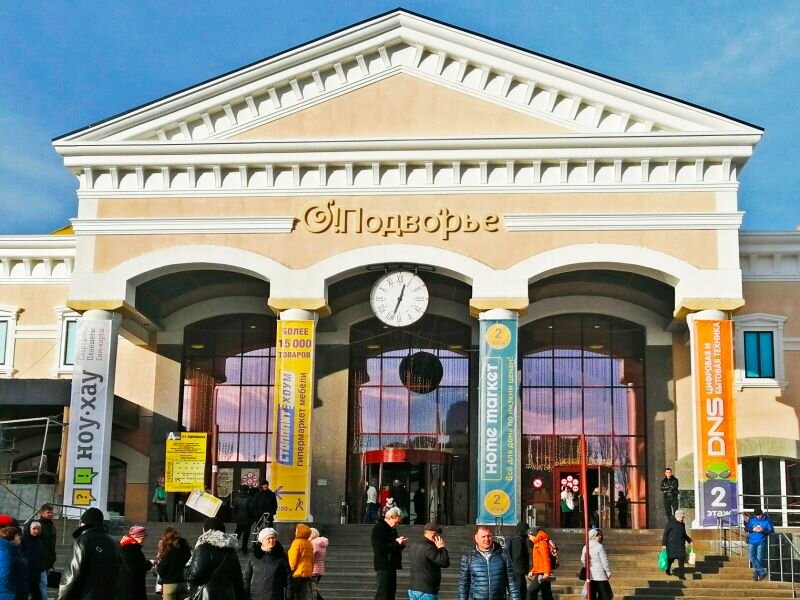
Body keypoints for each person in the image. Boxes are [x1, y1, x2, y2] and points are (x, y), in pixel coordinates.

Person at [58, 507, 120, 600]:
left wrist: (61, 597)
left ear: (83, 523)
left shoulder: (82, 541)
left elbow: (72, 575)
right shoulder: (114, 542)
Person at [184, 517, 244, 600]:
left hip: (208, 596)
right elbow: (238, 580)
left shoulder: (203, 548)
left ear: (206, 531)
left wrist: (186, 569)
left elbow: (193, 576)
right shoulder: (231, 552)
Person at [457, 525, 520, 600]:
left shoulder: (503, 554)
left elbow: (512, 583)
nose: (487, 539)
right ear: (476, 539)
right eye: (483, 537)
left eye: (489, 536)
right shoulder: (468, 557)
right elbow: (463, 585)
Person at [371, 506, 408, 600]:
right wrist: (396, 543)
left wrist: (401, 544)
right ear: (390, 517)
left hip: (391, 565)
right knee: (383, 594)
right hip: (383, 565)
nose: (397, 525)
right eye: (396, 522)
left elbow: (393, 547)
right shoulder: (379, 528)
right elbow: (379, 549)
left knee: (391, 594)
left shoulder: (392, 529)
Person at [243, 527, 290, 600]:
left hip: (275, 596)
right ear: (262, 541)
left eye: (273, 538)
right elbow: (246, 578)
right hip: (255, 596)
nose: (271, 540)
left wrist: (288, 596)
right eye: (268, 538)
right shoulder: (254, 556)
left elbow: (288, 578)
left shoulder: (281, 556)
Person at [407, 521, 450, 600]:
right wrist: (442, 548)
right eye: (439, 535)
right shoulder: (430, 548)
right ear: (435, 535)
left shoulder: (414, 545)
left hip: (413, 588)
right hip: (427, 590)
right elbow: (445, 562)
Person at [117, 525, 154, 600]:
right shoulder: (131, 549)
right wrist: (149, 563)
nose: (145, 540)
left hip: (127, 588)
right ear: (139, 537)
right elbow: (134, 568)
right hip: (132, 589)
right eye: (143, 537)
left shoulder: (126, 547)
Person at [155, 526, 191, 600]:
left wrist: (158, 565)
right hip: (183, 583)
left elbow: (161, 570)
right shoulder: (185, 550)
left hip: (170, 584)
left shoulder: (169, 552)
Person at [661, 509, 693, 580]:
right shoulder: (670, 523)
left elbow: (684, 534)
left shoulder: (682, 524)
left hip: (680, 545)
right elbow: (665, 534)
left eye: (683, 517)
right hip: (672, 546)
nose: (683, 518)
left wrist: (689, 540)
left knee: (681, 560)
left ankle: (681, 576)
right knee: (670, 559)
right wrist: (664, 544)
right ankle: (667, 569)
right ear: (677, 516)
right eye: (682, 516)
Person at [581, 529, 612, 600]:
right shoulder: (599, 546)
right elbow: (604, 561)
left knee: (592, 595)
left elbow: (582, 559)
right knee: (605, 595)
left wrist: (589, 565)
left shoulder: (585, 547)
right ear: (593, 536)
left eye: (600, 535)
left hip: (590, 574)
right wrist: (608, 571)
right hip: (600, 574)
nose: (600, 536)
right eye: (597, 535)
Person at [744, 508, 773, 581]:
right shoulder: (751, 519)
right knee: (751, 557)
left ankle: (755, 575)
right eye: (757, 515)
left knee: (759, 558)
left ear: (762, 513)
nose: (758, 517)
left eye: (760, 515)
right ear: (754, 515)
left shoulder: (767, 519)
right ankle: (762, 571)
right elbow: (746, 528)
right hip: (751, 541)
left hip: (761, 541)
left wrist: (763, 530)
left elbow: (771, 530)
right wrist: (752, 529)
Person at [287, 524, 314, 600]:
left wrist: (290, 570)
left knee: (291, 594)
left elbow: (293, 558)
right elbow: (312, 559)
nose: (295, 532)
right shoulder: (309, 543)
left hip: (297, 573)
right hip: (307, 573)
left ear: (300, 532)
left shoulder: (297, 542)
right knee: (302, 595)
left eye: (296, 530)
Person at [0, 526, 27, 600]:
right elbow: (4, 576)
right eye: (17, 535)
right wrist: (14, 591)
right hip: (10, 594)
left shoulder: (13, 550)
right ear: (12, 538)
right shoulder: (7, 552)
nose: (19, 537)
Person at [527, 527, 554, 600]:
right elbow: (538, 561)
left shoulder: (541, 543)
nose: (529, 538)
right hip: (541, 571)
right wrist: (533, 571)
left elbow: (546, 558)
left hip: (542, 573)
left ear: (533, 535)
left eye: (530, 536)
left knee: (531, 591)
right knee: (546, 594)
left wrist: (546, 572)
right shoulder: (537, 543)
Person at [35, 504, 57, 594]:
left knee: (42, 584)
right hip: (40, 559)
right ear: (42, 513)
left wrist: (53, 558)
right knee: (42, 584)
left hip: (49, 559)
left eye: (52, 512)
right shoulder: (38, 524)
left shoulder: (51, 525)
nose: (51, 514)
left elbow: (52, 543)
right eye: (48, 512)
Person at [21, 521, 46, 600]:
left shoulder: (40, 540)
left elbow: (42, 555)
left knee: (36, 591)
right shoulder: (23, 539)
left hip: (36, 570)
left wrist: (42, 565)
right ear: (29, 529)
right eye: (34, 529)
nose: (36, 531)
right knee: (25, 592)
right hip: (26, 570)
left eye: (38, 529)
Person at [506, 522, 530, 598]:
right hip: (517, 570)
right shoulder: (517, 540)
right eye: (526, 531)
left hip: (519, 570)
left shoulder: (519, 539)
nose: (528, 533)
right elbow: (517, 556)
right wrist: (521, 569)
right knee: (519, 589)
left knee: (522, 589)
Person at [234, 485, 255, 554]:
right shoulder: (249, 498)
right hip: (247, 520)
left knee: (237, 534)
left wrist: (236, 517)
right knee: (246, 535)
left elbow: (235, 509)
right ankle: (244, 549)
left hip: (239, 519)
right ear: (247, 490)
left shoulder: (237, 498)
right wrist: (252, 518)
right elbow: (251, 509)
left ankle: (232, 547)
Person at [309, 527, 329, 591]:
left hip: (314, 569)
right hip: (320, 569)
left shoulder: (314, 543)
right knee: (313, 588)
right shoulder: (321, 542)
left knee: (312, 589)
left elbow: (312, 554)